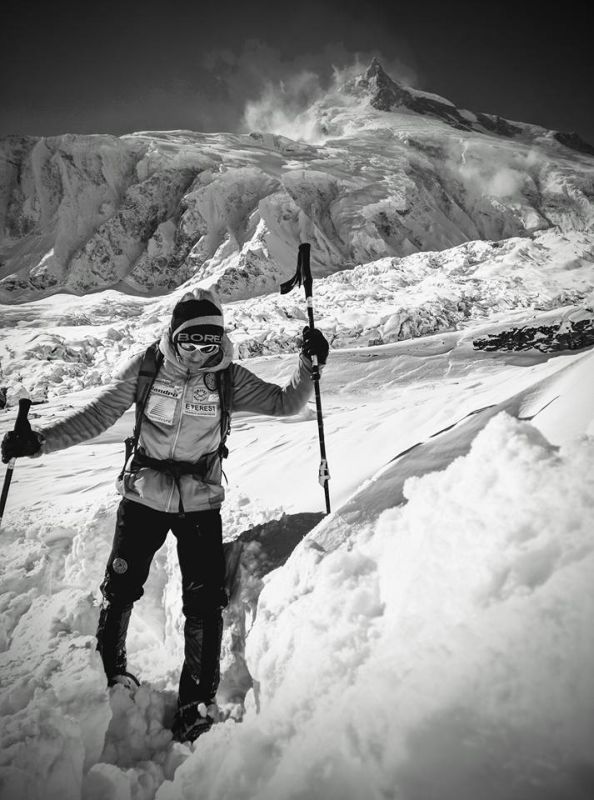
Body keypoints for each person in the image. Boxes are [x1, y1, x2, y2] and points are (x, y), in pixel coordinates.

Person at [1, 289, 329, 742]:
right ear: (174, 336)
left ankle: (195, 703)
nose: (198, 351)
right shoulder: (148, 368)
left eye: (209, 341)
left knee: (205, 601)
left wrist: (307, 366)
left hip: (199, 501)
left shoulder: (228, 378)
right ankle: (108, 673)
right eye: (189, 340)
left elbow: (285, 403)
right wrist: (39, 443)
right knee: (121, 586)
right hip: (143, 496)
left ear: (220, 339)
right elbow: (98, 415)